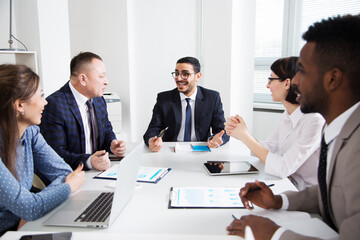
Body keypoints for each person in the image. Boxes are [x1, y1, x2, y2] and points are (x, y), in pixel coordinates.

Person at [227, 14, 360, 240]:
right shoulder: (338, 127)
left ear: (333, 78)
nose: (295, 81)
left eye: (304, 71)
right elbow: (331, 192)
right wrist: (280, 201)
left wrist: (276, 235)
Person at [0, 64, 85, 234]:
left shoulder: (30, 132)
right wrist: (66, 188)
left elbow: (64, 172)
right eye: (41, 96)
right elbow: (30, 207)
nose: (45, 102)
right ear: (19, 106)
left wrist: (34, 205)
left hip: (24, 225)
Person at [225, 57, 324, 190]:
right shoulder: (287, 114)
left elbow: (284, 168)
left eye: (271, 79)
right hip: (286, 184)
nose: (267, 85)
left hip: (306, 194)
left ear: (287, 83)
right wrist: (244, 133)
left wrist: (245, 137)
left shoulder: (314, 120)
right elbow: (267, 148)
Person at [40, 52, 126, 171]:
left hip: (97, 171)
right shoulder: (55, 105)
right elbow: (55, 153)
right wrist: (89, 161)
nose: (106, 81)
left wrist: (112, 144)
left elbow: (106, 129)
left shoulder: (99, 99)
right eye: (101, 76)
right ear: (83, 79)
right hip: (70, 174)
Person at [143, 56, 229, 152]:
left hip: (202, 151)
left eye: (185, 74)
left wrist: (216, 139)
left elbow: (222, 131)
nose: (179, 78)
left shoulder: (212, 98)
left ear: (198, 76)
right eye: (176, 73)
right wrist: (151, 140)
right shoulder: (164, 99)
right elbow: (153, 129)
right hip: (171, 151)